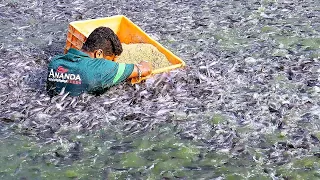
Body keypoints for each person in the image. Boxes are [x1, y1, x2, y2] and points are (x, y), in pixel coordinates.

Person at [46, 27, 152, 96]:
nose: (113, 63)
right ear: (99, 54)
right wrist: (145, 61)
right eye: (111, 60)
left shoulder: (55, 62)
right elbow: (145, 70)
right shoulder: (100, 69)